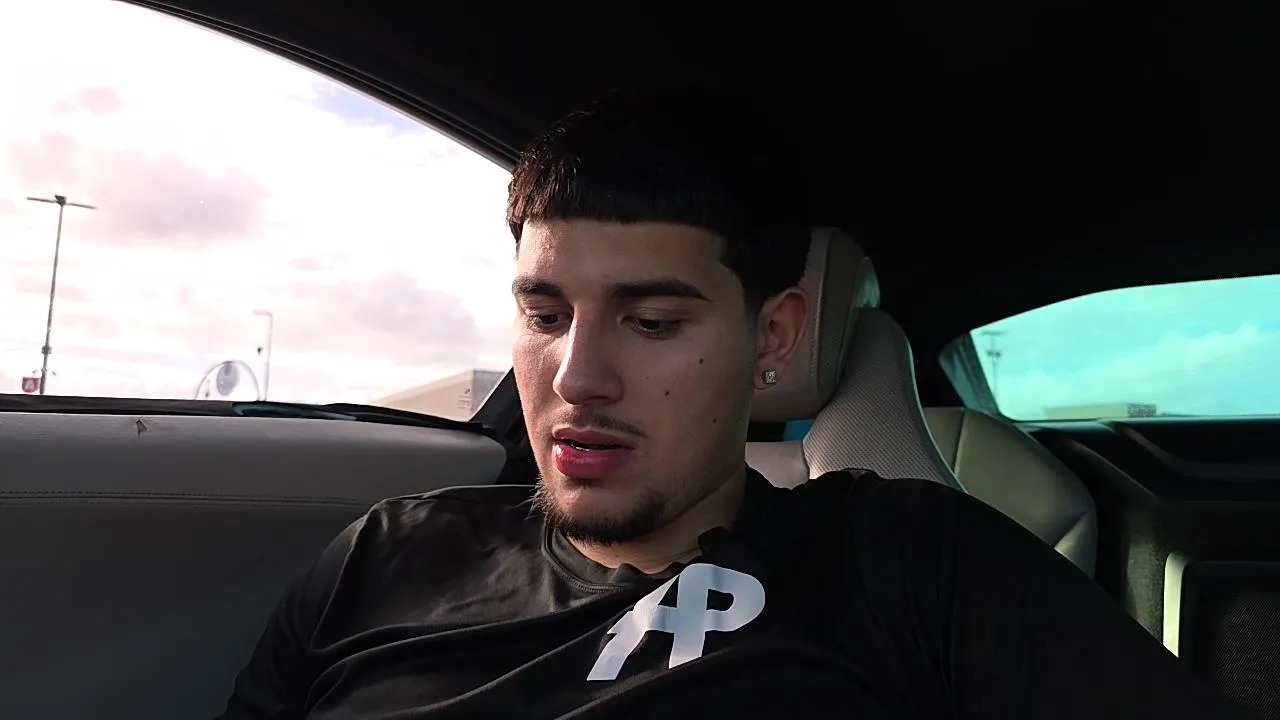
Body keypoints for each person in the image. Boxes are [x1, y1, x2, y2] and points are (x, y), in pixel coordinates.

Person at [216, 85, 1255, 719]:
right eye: (544, 315)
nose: (576, 377)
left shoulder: (907, 564)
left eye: (651, 321)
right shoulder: (386, 556)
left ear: (774, 337)